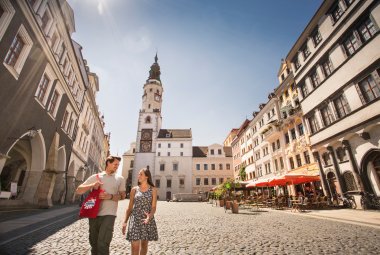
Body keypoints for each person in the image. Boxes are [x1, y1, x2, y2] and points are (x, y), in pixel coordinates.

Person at [76, 156, 126, 255]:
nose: (117, 166)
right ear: (108, 163)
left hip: (109, 214)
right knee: (94, 243)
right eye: (115, 164)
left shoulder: (119, 179)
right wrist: (92, 185)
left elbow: (123, 196)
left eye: (118, 165)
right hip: (93, 213)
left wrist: (110, 196)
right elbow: (79, 190)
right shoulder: (96, 177)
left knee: (103, 243)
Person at [122, 168, 158, 255]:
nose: (138, 176)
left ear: (146, 176)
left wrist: (150, 216)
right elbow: (130, 207)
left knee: (144, 245)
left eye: (141, 174)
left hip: (146, 220)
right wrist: (125, 222)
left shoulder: (153, 190)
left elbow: (153, 207)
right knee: (135, 246)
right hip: (135, 219)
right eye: (138, 174)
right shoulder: (134, 189)